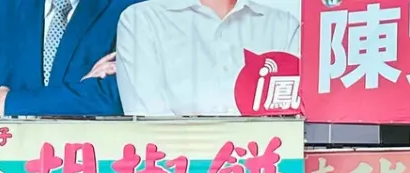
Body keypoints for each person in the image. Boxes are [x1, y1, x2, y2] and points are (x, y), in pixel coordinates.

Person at [116, 0, 300, 116]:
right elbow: (147, 120)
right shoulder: (142, 19)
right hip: (179, 171)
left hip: (265, 168)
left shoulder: (283, 25)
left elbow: (291, 119)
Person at [0, 0, 141, 117]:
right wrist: (81, 90)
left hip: (91, 162)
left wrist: (8, 101)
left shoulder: (132, 8)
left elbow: (114, 97)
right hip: (15, 162)